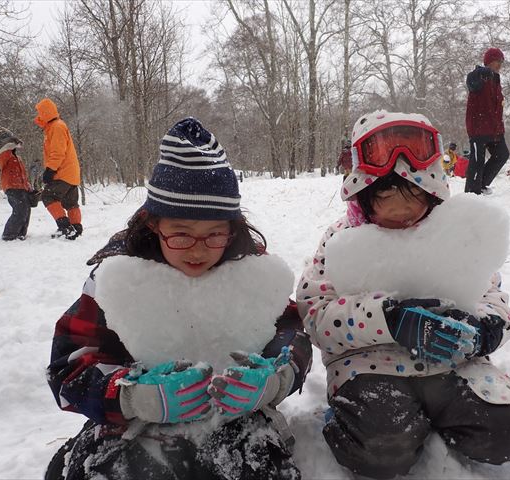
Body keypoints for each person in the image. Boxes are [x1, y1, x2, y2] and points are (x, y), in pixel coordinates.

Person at [44, 117, 312, 480]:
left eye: (214, 234)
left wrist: (274, 379)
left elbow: (292, 335)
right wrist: (131, 396)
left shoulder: (251, 273)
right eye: (181, 234)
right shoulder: (118, 279)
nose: (198, 251)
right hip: (133, 424)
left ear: (232, 229)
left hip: (233, 419)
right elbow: (68, 365)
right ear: (154, 224)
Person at [296, 110, 510, 479]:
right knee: (381, 451)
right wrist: (389, 320)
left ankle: (441, 417)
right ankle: (364, 424)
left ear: (433, 192)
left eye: (414, 196)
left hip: (453, 364)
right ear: (364, 197)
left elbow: (491, 294)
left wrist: (485, 329)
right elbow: (316, 315)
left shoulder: (453, 236)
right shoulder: (341, 239)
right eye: (386, 197)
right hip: (368, 366)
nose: (402, 213)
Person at [34, 98, 83, 239]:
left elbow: (58, 152)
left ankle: (65, 227)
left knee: (48, 196)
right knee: (70, 202)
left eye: (40, 112)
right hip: (71, 173)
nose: (38, 115)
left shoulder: (56, 127)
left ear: (45, 112)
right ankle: (76, 228)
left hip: (63, 172)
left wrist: (50, 170)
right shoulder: (56, 126)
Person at [465, 47, 509, 195]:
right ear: (489, 61)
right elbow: (471, 81)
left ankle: (481, 184)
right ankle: (472, 193)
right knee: (477, 161)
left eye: (501, 62)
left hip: (494, 128)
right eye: (497, 61)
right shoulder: (479, 76)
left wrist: (499, 127)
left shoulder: (496, 81)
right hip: (479, 128)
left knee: (502, 154)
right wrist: (480, 73)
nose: (500, 64)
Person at [0, 126, 35, 240]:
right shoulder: (3, 156)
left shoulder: (17, 158)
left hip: (22, 187)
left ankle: (21, 233)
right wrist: (10, 138)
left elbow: (23, 174)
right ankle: (9, 234)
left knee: (26, 210)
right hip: (12, 187)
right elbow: (4, 147)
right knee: (20, 210)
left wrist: (28, 186)